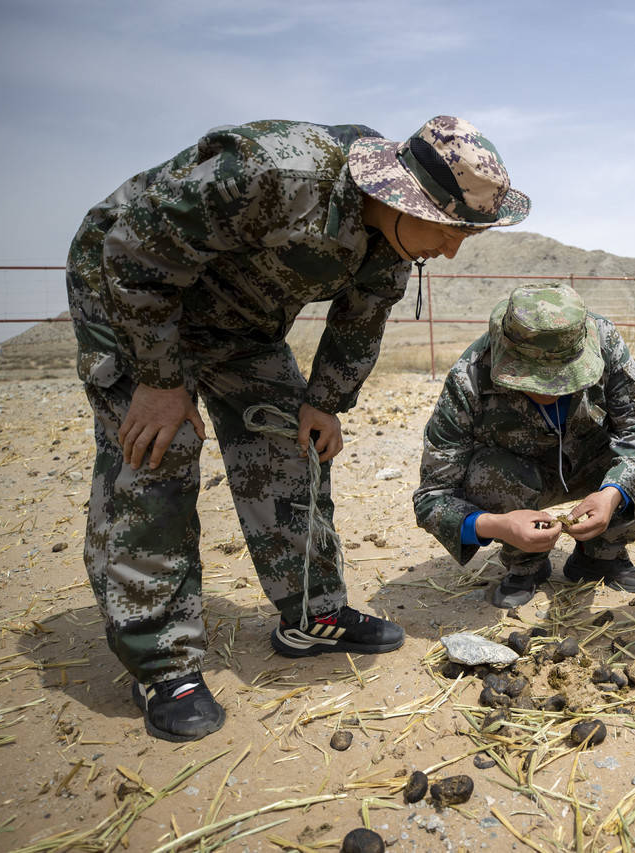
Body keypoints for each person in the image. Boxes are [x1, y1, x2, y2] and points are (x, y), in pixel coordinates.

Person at [67, 116, 529, 741]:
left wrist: (325, 401)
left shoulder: (393, 240)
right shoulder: (276, 172)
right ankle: (163, 663)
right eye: (449, 230)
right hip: (133, 300)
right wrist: (157, 378)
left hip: (238, 326)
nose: (452, 249)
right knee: (157, 454)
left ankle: (313, 613)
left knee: (294, 442)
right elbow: (133, 249)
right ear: (400, 196)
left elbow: (359, 319)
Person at [414, 282, 635, 609]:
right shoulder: (470, 377)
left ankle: (601, 554)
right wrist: (498, 526)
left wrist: (613, 493)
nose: (551, 390)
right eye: (534, 378)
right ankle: (526, 564)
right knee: (485, 470)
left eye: (565, 376)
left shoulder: (603, 341)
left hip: (593, 463)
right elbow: (432, 498)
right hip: (518, 478)